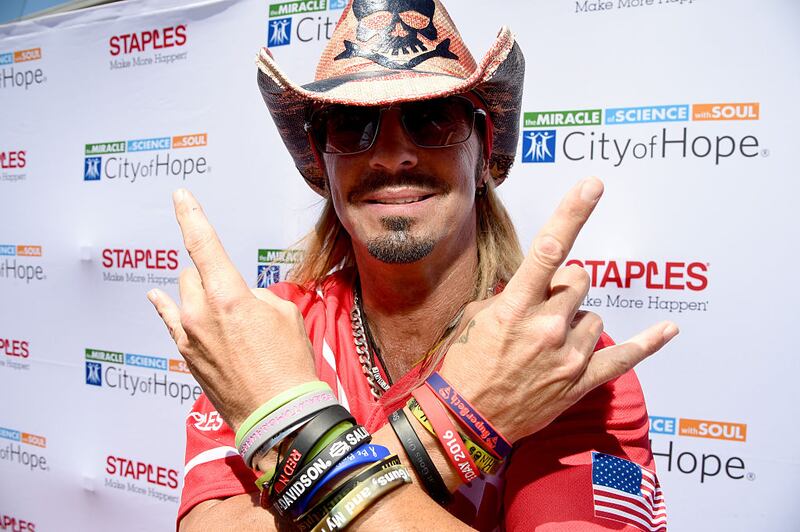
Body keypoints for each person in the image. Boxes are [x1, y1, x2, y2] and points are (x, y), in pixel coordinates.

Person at [147, 1, 677, 530]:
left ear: (485, 150)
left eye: (431, 118)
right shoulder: (268, 328)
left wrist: (299, 435)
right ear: (320, 163)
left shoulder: (557, 351)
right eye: (353, 126)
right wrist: (452, 427)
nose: (392, 155)